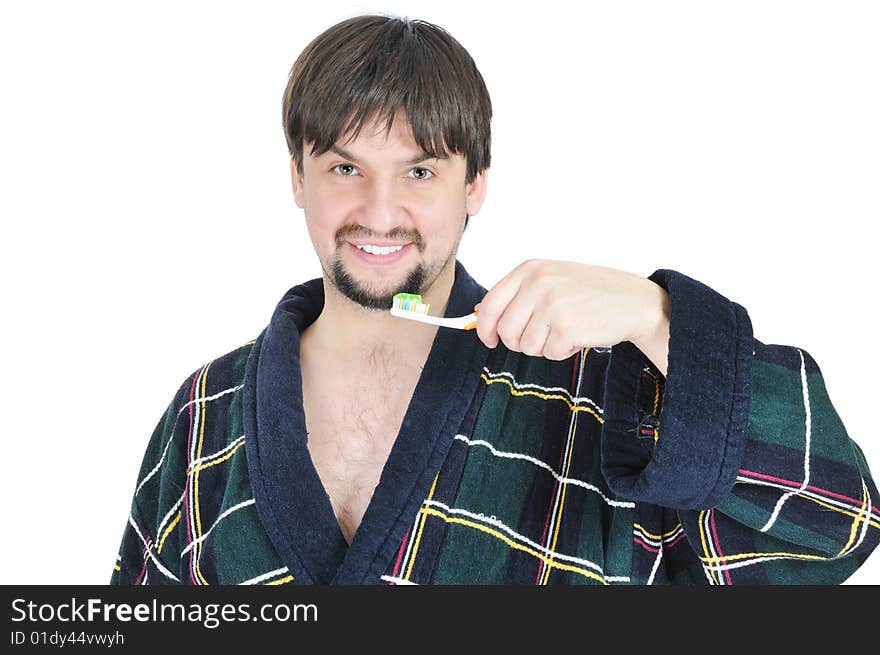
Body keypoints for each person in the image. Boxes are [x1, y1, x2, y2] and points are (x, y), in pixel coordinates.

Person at [110, 13, 879, 586]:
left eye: (420, 173)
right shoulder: (204, 412)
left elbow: (838, 526)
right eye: (346, 169)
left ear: (475, 183)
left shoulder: (591, 394)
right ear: (297, 177)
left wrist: (656, 317)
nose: (379, 213)